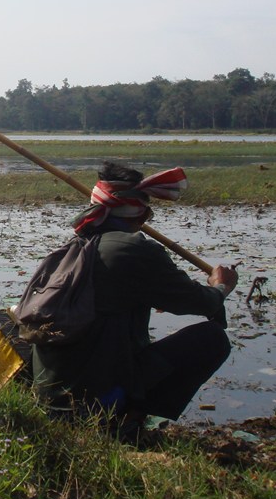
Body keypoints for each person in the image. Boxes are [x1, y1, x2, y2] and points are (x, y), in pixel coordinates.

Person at [31, 161, 238, 442]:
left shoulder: (70, 249)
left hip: (51, 399)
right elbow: (204, 303)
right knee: (211, 339)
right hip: (95, 404)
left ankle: (118, 411)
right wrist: (221, 286)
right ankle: (127, 419)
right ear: (139, 212)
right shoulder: (135, 249)